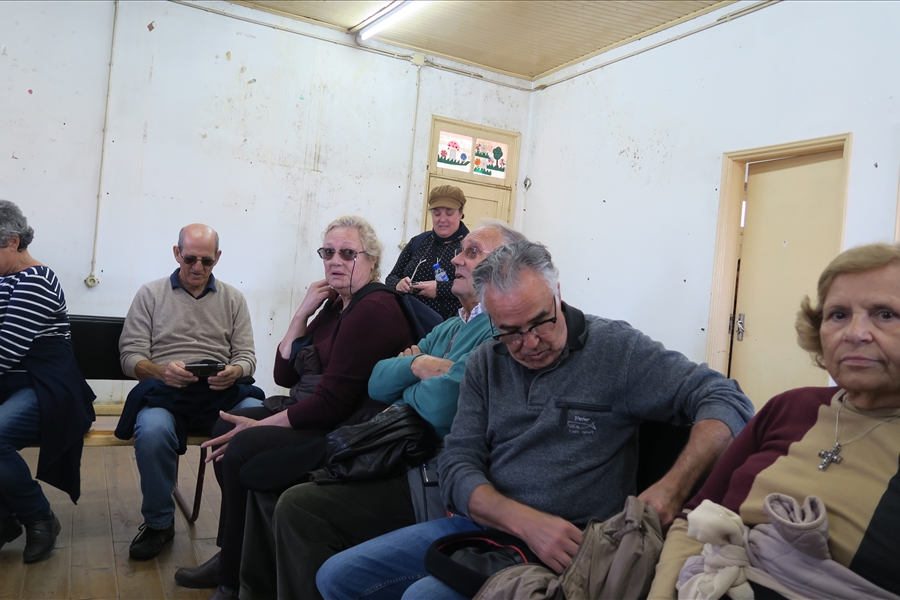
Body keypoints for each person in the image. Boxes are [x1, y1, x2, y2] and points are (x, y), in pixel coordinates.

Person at [316, 241, 755, 600]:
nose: (529, 344)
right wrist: (521, 521)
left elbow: (726, 398)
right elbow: (458, 463)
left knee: (424, 596)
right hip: (491, 526)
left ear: (557, 294)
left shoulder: (614, 351)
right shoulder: (487, 361)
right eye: (509, 332)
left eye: (541, 323)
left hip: (573, 543)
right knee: (336, 577)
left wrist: (671, 490)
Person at [237, 221, 528, 600]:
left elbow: (443, 406)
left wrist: (410, 375)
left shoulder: (496, 328)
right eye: (328, 253)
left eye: (471, 252)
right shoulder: (449, 326)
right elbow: (377, 380)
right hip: (392, 447)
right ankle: (241, 582)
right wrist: (419, 365)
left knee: (291, 499)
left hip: (426, 471)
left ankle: (239, 580)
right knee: (264, 478)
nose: (455, 259)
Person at [174, 215, 416, 600]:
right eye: (328, 253)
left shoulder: (374, 308)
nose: (335, 261)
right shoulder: (336, 305)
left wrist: (259, 427)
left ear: (372, 260)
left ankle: (236, 577)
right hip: (314, 409)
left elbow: (333, 405)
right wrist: (303, 312)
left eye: (348, 254)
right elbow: (284, 373)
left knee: (241, 447)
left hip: (346, 429)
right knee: (226, 430)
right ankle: (234, 554)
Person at [648, 243, 900, 600]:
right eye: (838, 315)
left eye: (885, 314)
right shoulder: (791, 407)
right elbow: (693, 518)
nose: (855, 333)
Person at [117, 224, 263, 561]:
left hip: (220, 391)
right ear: (176, 253)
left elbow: (247, 357)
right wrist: (161, 371)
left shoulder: (233, 299)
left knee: (257, 422)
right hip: (167, 391)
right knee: (152, 432)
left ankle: (244, 529)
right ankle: (159, 523)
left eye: (206, 261)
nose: (197, 267)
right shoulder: (150, 294)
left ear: (218, 258)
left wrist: (235, 371)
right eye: (190, 259)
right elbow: (130, 357)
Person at [0, 200, 95, 563]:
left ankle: (38, 517)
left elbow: (6, 349)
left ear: (12, 242)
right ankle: (3, 520)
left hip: (44, 388)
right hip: (10, 386)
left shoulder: (37, 280)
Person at [386, 185, 469, 320]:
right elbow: (391, 277)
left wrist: (440, 289)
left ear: (461, 213)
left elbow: (477, 288)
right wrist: (398, 284)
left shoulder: (471, 247)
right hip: (408, 321)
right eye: (436, 214)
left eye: (449, 213)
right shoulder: (419, 241)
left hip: (448, 326)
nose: (442, 220)